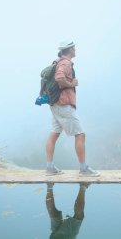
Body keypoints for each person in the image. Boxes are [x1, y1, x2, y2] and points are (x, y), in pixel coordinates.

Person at [45, 40, 100, 177]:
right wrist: (71, 83)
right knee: (80, 135)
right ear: (69, 50)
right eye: (74, 48)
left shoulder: (57, 62)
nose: (75, 50)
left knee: (54, 134)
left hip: (55, 104)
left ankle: (50, 167)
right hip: (64, 104)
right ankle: (83, 169)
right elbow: (59, 78)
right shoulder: (65, 63)